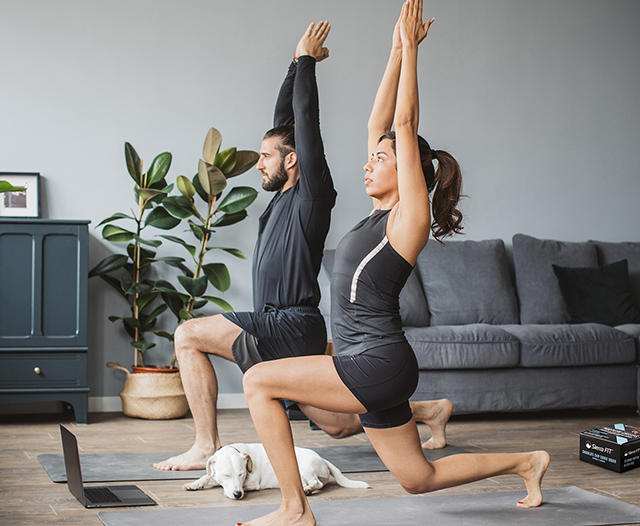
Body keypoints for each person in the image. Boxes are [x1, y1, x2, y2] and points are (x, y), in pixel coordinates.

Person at [239, 2, 550, 524]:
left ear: (407, 172)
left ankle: (294, 509)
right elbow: (379, 122)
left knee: (259, 381)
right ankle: (528, 462)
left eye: (381, 159)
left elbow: (402, 124)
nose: (369, 162)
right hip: (373, 364)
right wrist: (393, 49)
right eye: (372, 157)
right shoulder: (375, 214)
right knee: (417, 478)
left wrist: (411, 53)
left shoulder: (410, 219)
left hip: (374, 363)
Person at [155, 21, 453, 472]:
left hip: (291, 323)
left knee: (188, 334)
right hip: (277, 325)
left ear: (293, 160)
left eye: (268, 157)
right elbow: (286, 122)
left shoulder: (312, 195)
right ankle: (425, 411)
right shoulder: (278, 199)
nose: (259, 164)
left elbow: (305, 124)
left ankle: (204, 445)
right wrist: (295, 64)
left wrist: (309, 63)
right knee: (337, 424)